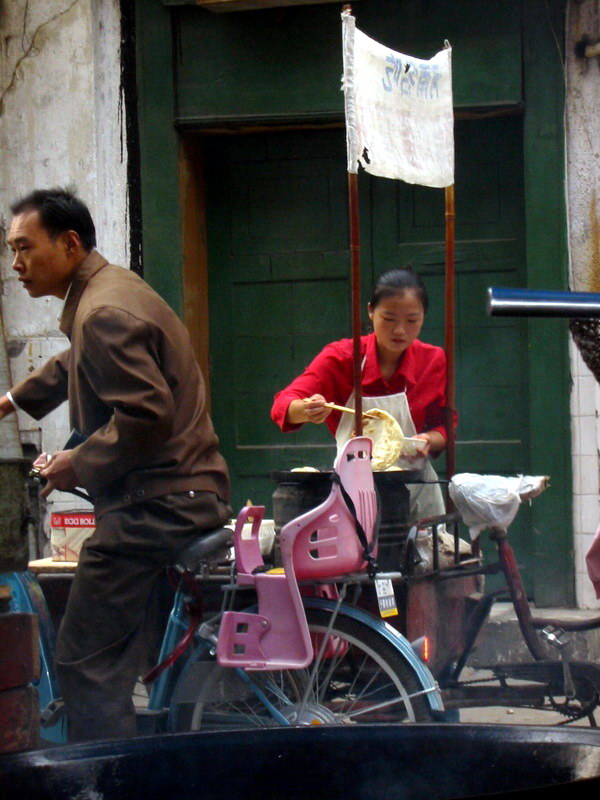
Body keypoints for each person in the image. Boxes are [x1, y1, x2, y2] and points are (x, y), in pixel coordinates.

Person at [0, 187, 231, 742]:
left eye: (26, 248)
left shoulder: (102, 310)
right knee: (113, 647)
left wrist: (77, 463)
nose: (16, 264)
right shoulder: (107, 292)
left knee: (85, 661)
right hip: (182, 493)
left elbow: (146, 415)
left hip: (158, 505)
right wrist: (11, 401)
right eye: (12, 249)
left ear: (70, 243)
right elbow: (75, 360)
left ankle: (103, 779)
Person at [271, 268, 455, 519]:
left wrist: (428, 440)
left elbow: (444, 427)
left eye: (412, 320)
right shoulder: (341, 358)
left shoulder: (433, 360)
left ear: (424, 317)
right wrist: (305, 409)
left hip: (416, 488)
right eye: (389, 318)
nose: (400, 330)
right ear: (371, 311)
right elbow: (283, 405)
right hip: (353, 489)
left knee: (425, 554)